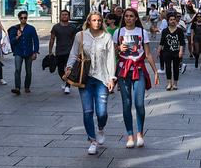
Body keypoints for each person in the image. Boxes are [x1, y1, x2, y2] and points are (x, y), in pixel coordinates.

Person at [64, 12, 117, 155]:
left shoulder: (107, 37)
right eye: (94, 20)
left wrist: (112, 77)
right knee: (87, 111)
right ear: (89, 21)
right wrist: (69, 67)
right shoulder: (80, 35)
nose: (97, 22)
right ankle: (92, 140)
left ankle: (100, 128)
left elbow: (110, 59)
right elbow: (74, 53)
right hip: (85, 78)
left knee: (102, 112)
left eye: (99, 20)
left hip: (102, 78)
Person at [114, 8, 158, 148]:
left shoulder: (142, 32)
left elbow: (148, 54)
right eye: (126, 16)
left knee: (139, 103)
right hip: (123, 69)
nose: (128, 18)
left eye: (131, 16)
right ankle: (130, 135)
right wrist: (118, 49)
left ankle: (140, 133)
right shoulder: (118, 32)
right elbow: (113, 52)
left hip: (138, 69)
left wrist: (155, 71)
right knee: (126, 103)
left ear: (135, 18)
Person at [9, 11, 40, 95]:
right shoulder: (14, 29)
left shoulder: (31, 28)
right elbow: (12, 41)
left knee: (28, 71)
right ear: (19, 18)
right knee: (17, 69)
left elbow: (35, 40)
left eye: (25, 18)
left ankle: (27, 86)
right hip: (18, 52)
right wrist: (17, 36)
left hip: (29, 52)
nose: (23, 19)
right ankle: (17, 87)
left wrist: (35, 51)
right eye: (22, 18)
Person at [49, 9, 78, 94]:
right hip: (59, 51)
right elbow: (52, 39)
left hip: (70, 51)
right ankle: (66, 81)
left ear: (68, 16)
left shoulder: (72, 27)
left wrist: (77, 51)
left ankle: (67, 86)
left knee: (69, 68)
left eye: (66, 15)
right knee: (60, 70)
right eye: (63, 15)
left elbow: (76, 39)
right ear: (60, 16)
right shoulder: (56, 27)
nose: (64, 16)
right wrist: (50, 51)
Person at [158, 12, 185, 91]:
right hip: (167, 51)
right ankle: (169, 83)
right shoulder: (165, 31)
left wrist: (181, 51)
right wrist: (158, 51)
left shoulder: (179, 30)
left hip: (176, 52)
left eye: (174, 19)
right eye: (171, 20)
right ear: (168, 21)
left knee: (176, 68)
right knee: (168, 67)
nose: (172, 21)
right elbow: (161, 42)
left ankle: (175, 83)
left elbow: (182, 42)